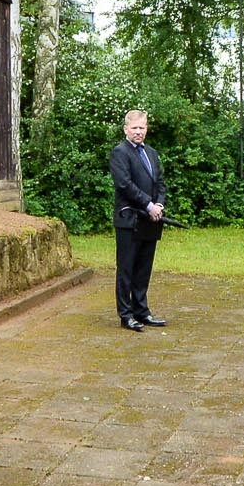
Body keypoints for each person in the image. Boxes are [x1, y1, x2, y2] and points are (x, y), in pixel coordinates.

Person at [110, 109, 168, 330]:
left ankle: (142, 311)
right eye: (134, 127)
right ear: (126, 129)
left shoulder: (151, 153)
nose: (138, 131)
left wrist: (159, 204)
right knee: (126, 269)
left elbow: (160, 182)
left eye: (142, 127)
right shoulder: (119, 153)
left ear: (146, 129)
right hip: (129, 220)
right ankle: (126, 315)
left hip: (150, 221)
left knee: (144, 269)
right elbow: (124, 184)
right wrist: (148, 205)